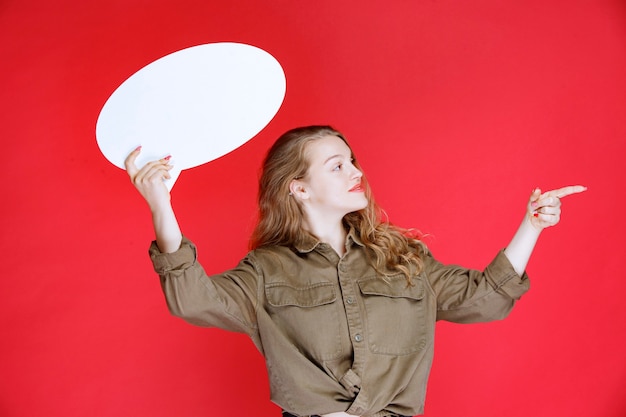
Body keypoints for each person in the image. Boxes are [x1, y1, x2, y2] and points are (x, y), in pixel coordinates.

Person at [125, 125, 586, 417]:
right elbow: (193, 298)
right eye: (337, 165)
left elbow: (486, 299)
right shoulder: (265, 271)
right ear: (299, 188)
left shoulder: (405, 258)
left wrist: (532, 225)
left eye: (353, 160)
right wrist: (161, 206)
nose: (355, 171)